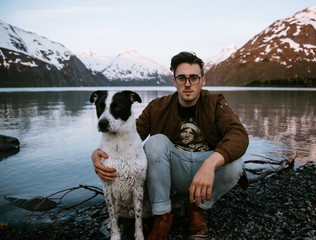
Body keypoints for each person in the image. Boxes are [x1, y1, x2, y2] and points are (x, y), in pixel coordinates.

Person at [91, 51, 249, 239]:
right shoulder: (158, 106)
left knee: (236, 163)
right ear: (174, 81)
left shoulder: (215, 103)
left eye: (193, 78)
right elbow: (132, 136)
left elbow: (238, 135)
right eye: (181, 78)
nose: (188, 83)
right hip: (174, 172)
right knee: (155, 142)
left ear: (203, 81)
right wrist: (99, 153)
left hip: (205, 170)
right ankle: (162, 216)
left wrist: (210, 164)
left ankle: (197, 210)